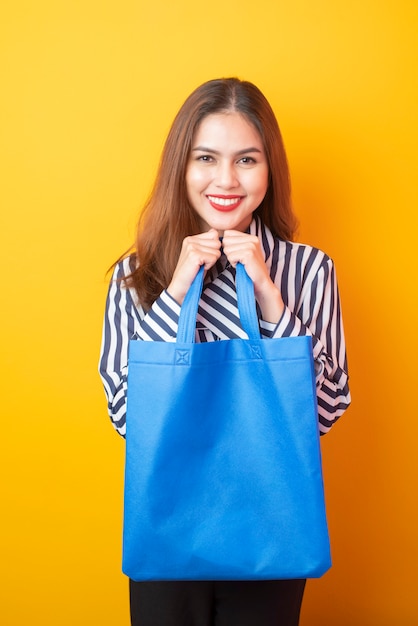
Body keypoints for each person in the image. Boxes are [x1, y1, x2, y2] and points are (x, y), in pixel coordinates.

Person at [99, 77, 351, 626]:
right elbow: (126, 416)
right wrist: (178, 291)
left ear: (270, 169)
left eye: (247, 160)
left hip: (272, 530)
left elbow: (325, 411)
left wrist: (268, 292)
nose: (225, 180)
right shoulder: (135, 274)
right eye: (206, 158)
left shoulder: (309, 270)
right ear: (181, 167)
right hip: (168, 533)